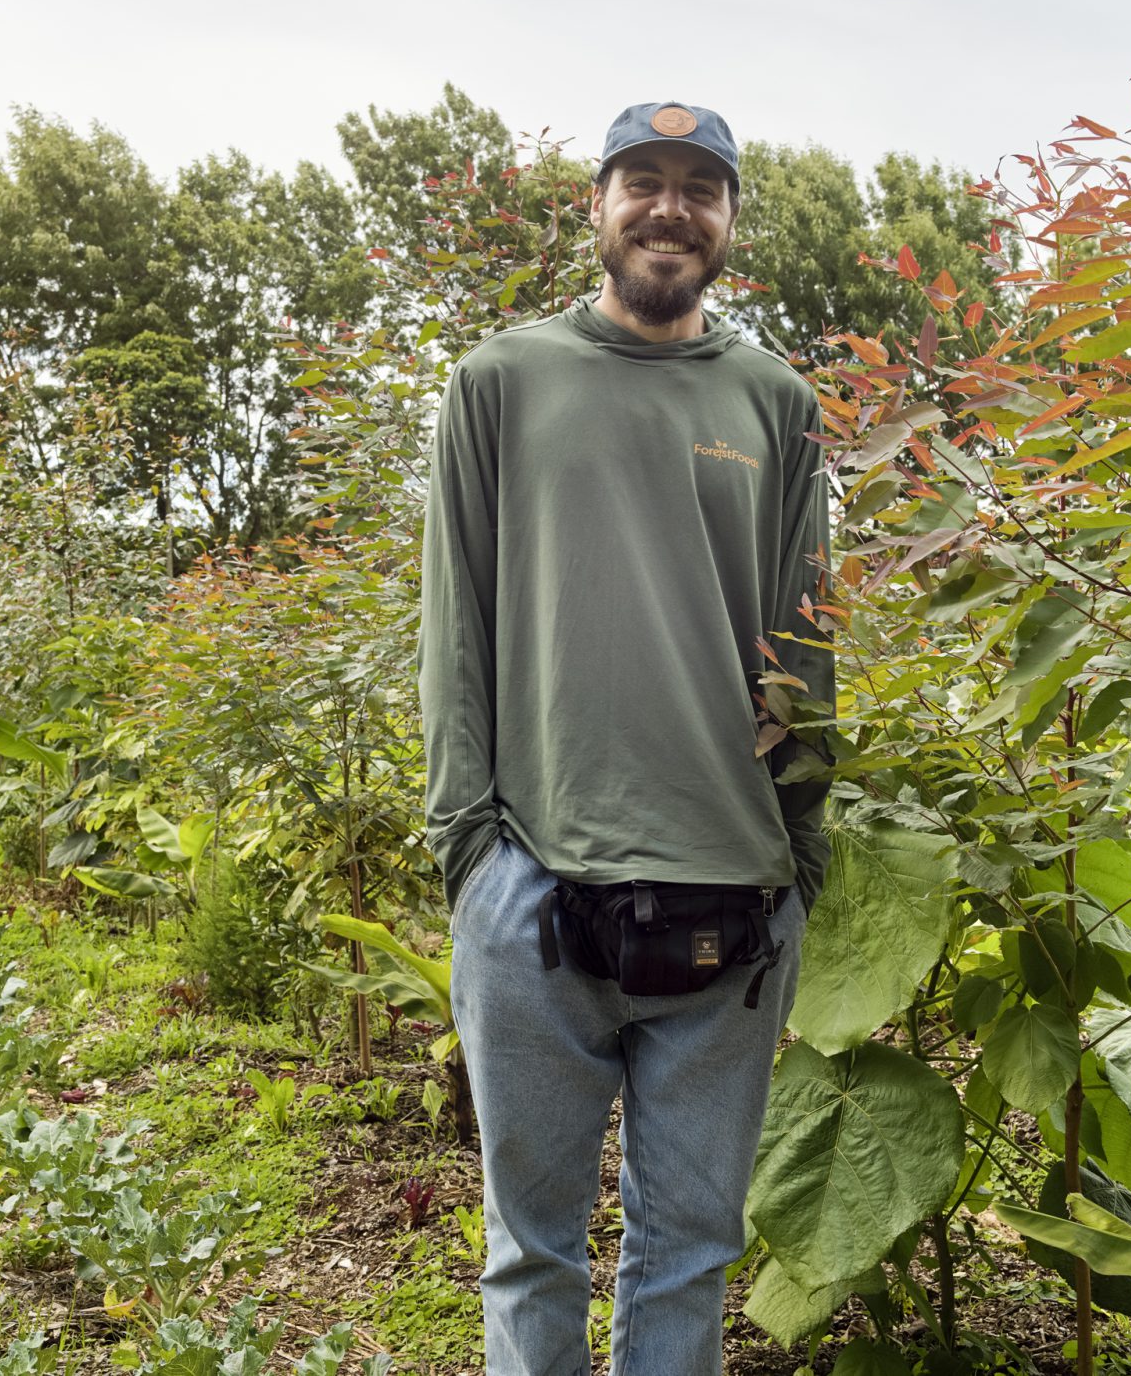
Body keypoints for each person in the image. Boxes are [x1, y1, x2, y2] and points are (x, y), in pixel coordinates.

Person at [417, 100, 834, 1376]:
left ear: (729, 220)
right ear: (596, 207)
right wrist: (471, 854)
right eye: (641, 180)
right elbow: (457, 624)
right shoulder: (503, 382)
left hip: (735, 903)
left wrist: (803, 854)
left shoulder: (776, 402)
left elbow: (806, 643)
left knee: (689, 1253)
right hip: (532, 890)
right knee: (530, 1251)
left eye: (700, 187)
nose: (670, 207)